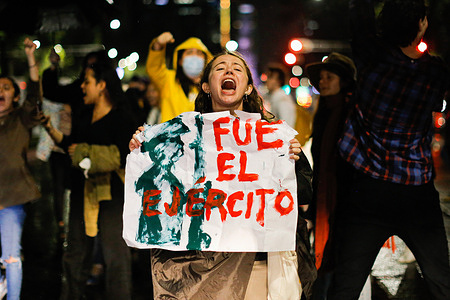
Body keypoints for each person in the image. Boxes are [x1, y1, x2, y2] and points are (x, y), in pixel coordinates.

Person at [130, 50, 317, 299]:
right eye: (220, 68)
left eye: (237, 68)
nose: (229, 71)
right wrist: (146, 150)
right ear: (207, 86)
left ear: (248, 88)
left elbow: (303, 193)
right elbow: (163, 195)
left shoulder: (272, 137)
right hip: (202, 271)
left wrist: (292, 162)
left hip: (256, 265)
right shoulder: (184, 138)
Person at [329, 0, 450, 299]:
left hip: (368, 190)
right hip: (416, 192)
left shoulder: (373, 58)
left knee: (347, 282)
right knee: (441, 281)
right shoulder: (435, 72)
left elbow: (360, 19)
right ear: (422, 24)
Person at [43, 62, 136, 300]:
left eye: (86, 81)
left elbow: (124, 157)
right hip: (81, 192)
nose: (82, 87)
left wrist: (87, 152)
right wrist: (49, 128)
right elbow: (72, 147)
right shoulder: (84, 114)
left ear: (102, 85)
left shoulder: (123, 118)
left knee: (115, 256)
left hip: (113, 196)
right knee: (75, 253)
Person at [305, 53, 357, 299]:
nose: (322, 82)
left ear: (344, 81)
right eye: (321, 78)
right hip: (326, 197)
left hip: (348, 199)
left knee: (338, 260)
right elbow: (320, 163)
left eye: (329, 77)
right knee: (325, 258)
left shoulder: (353, 113)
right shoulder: (323, 112)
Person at [0, 38, 41, 300]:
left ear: (15, 96)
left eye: (5, 88)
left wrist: (30, 58)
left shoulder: (21, 118)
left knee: (11, 255)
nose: (0, 91)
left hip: (13, 199)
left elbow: (35, 95)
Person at [145, 31, 213, 123]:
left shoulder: (211, 86)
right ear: (180, 60)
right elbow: (154, 68)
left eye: (199, 53)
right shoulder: (168, 79)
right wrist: (158, 45)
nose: (194, 56)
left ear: (205, 60)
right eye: (189, 52)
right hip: (171, 136)